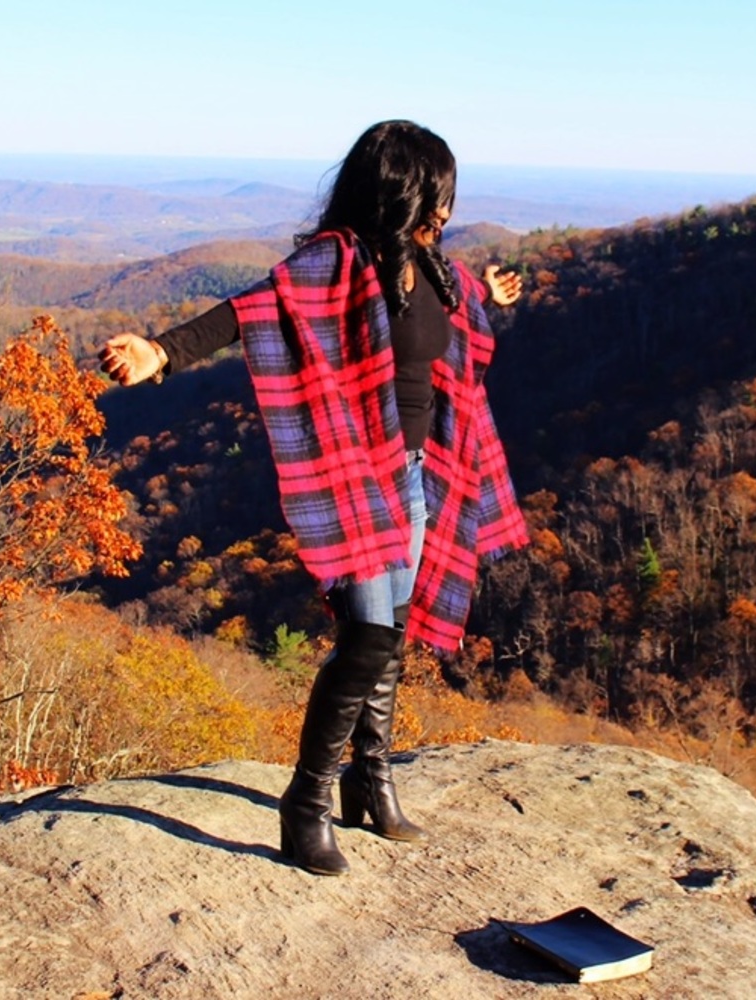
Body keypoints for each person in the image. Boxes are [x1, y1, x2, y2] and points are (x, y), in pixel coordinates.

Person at [99, 120, 528, 876]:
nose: (447, 213)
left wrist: (486, 293)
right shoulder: (337, 261)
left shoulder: (434, 269)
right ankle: (306, 802)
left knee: (390, 636)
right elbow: (253, 309)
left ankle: (373, 778)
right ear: (402, 191)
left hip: (419, 475)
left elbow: (455, 324)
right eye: (437, 197)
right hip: (359, 478)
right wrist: (163, 352)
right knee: (365, 640)